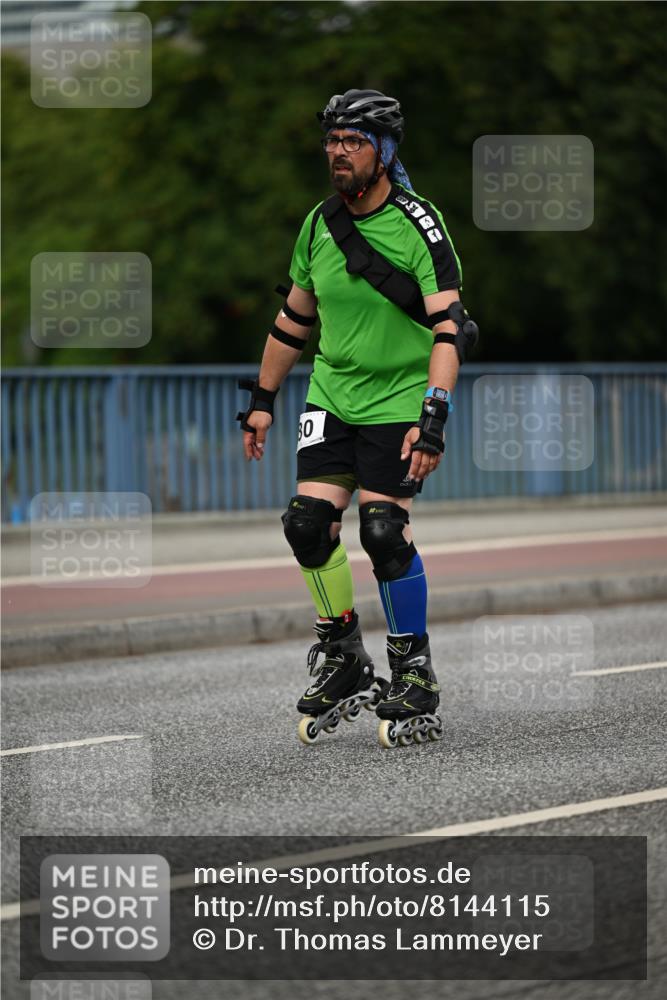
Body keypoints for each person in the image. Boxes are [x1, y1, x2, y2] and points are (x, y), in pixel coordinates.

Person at [237, 89, 477, 748]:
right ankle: (342, 654)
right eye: (332, 141)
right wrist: (262, 399)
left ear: (385, 150)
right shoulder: (318, 224)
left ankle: (412, 669)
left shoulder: (418, 224)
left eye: (353, 141)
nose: (337, 153)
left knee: (381, 530)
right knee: (305, 523)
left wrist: (433, 415)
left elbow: (448, 327)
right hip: (332, 393)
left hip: (400, 396)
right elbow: (293, 320)